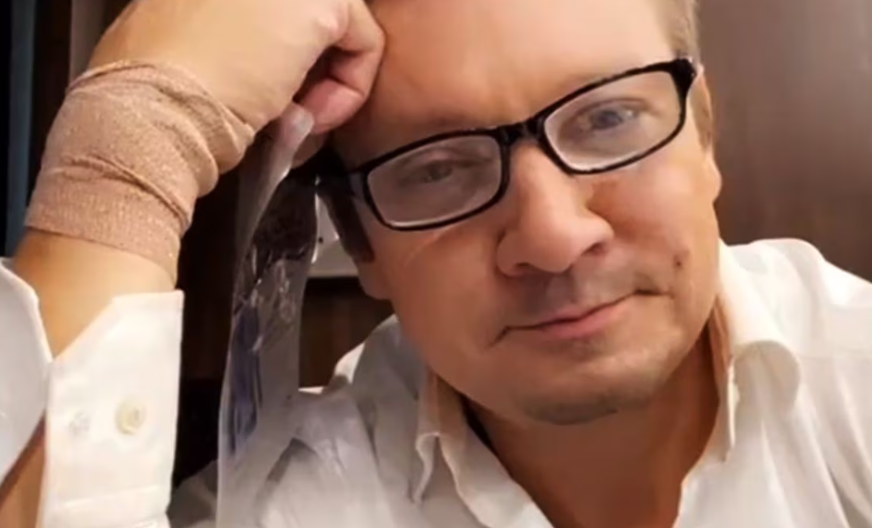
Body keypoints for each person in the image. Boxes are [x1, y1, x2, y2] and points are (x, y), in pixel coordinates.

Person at [1, 0, 871, 526]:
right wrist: (126, 150)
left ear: (703, 133)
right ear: (362, 242)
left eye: (608, 120)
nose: (553, 237)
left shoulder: (853, 376)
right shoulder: (298, 500)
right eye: (438, 168)